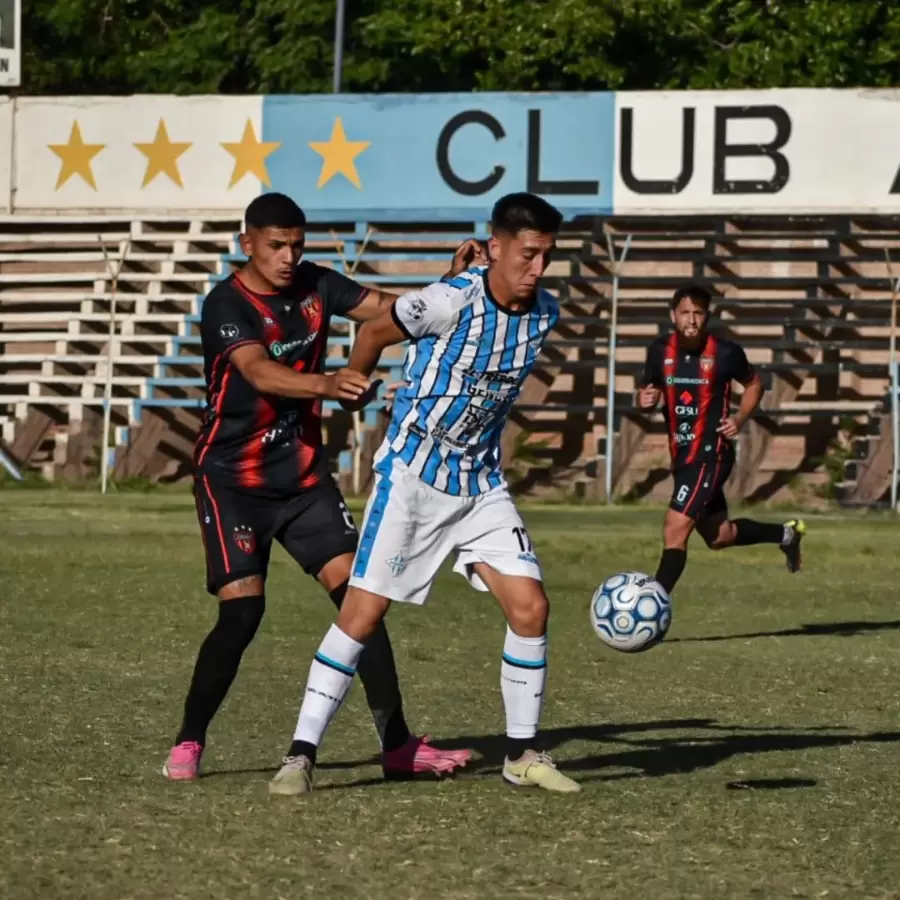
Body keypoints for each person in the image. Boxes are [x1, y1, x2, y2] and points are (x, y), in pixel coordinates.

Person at [269, 191, 582, 797]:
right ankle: (300, 754)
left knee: (532, 608)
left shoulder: (545, 311)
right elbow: (380, 328)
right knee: (362, 615)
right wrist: (355, 384)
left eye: (546, 256)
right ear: (496, 248)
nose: (537, 269)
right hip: (413, 478)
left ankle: (522, 754)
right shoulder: (450, 300)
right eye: (527, 255)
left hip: (480, 483)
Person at [164, 191, 483, 782]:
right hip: (232, 480)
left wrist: (450, 285)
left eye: (296, 245)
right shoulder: (225, 304)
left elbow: (389, 310)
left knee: (362, 603)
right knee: (243, 615)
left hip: (304, 477)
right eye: (275, 245)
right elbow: (260, 372)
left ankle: (397, 745)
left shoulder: (317, 284)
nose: (288, 257)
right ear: (248, 244)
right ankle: (189, 740)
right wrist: (330, 383)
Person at [637, 283, 806, 597]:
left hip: (711, 455)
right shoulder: (659, 350)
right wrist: (644, 399)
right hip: (682, 456)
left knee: (675, 528)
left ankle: (651, 604)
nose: (691, 320)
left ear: (707, 317)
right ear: (672, 315)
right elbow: (649, 390)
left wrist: (738, 419)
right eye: (685, 313)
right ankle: (787, 535)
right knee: (720, 536)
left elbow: (754, 384)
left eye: (698, 313)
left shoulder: (725, 353)